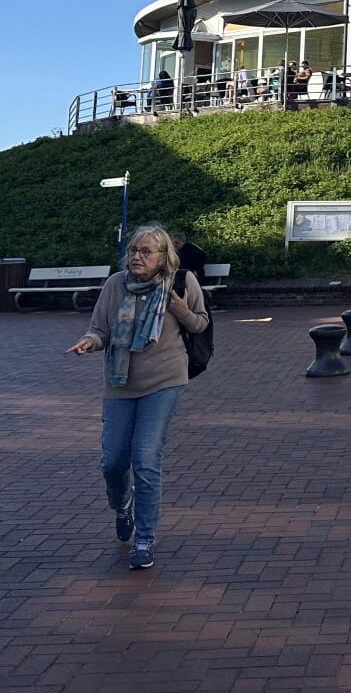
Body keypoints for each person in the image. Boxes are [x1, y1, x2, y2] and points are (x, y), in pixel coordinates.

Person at [67, 226, 209, 570]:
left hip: (164, 381)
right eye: (133, 250)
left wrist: (180, 310)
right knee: (113, 461)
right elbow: (99, 329)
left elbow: (200, 324)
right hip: (119, 381)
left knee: (145, 458)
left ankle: (145, 539)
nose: (137, 257)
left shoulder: (180, 282)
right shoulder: (115, 285)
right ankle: (122, 505)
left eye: (146, 252)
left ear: (164, 257)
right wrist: (90, 342)